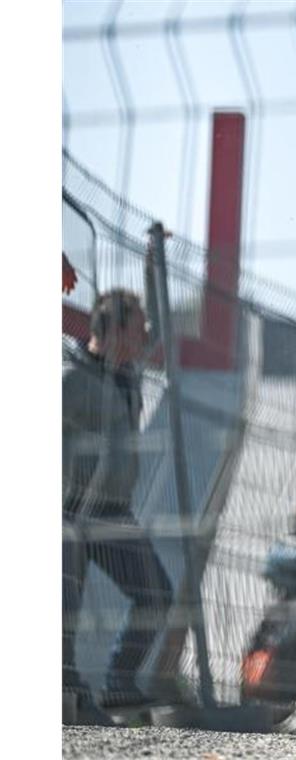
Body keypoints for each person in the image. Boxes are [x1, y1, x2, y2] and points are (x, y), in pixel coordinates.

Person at [63, 279, 174, 718]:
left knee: (156, 592)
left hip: (111, 513)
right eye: (138, 330)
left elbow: (162, 329)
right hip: (68, 512)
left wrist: (153, 269)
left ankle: (119, 683)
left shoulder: (127, 373)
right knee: (64, 615)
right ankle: (70, 700)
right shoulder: (72, 380)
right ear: (110, 332)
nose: (145, 338)